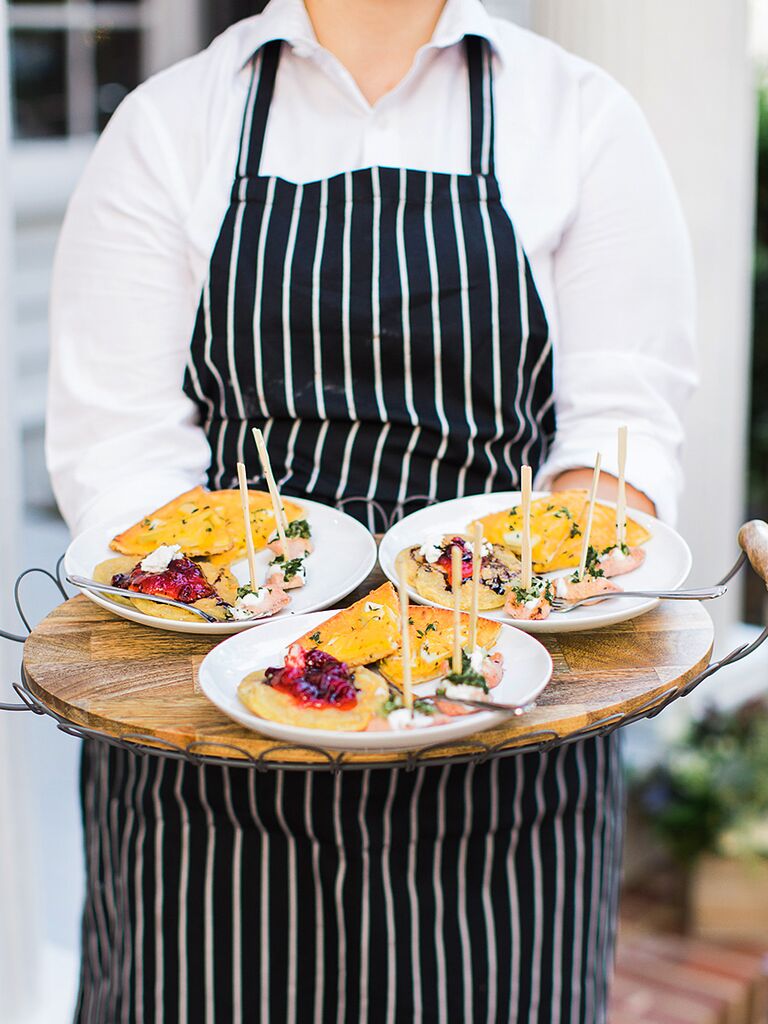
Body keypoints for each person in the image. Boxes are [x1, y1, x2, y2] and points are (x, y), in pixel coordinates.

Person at [47, 0, 696, 1020]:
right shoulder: (171, 123)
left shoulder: (579, 116)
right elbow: (120, 448)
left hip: (500, 727)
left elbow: (623, 427)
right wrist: (247, 612)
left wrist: (545, 583)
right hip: (211, 752)